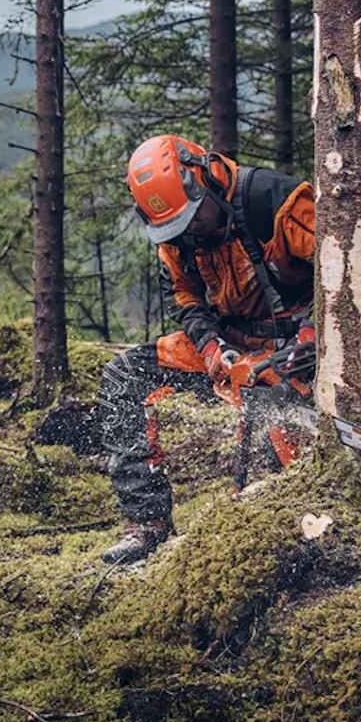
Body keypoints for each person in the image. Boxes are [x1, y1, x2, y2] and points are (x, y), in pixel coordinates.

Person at [99, 134, 316, 565]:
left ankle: (301, 523)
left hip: (296, 342)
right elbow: (184, 297)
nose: (190, 232)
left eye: (194, 218)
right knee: (126, 376)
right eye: (177, 228)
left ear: (206, 178)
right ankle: (146, 522)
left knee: (277, 419)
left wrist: (312, 337)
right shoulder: (176, 234)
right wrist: (210, 345)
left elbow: (345, 270)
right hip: (231, 342)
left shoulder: (277, 202)